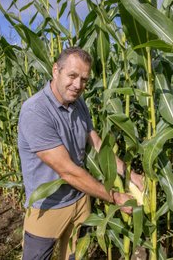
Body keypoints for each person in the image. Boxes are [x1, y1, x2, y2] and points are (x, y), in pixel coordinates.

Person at [17, 47, 143, 260]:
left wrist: (129, 174)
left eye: (84, 79)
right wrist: (115, 197)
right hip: (48, 206)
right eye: (72, 76)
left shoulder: (78, 103)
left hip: (80, 199)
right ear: (56, 70)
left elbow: (96, 143)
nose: (78, 85)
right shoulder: (35, 111)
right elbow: (68, 172)